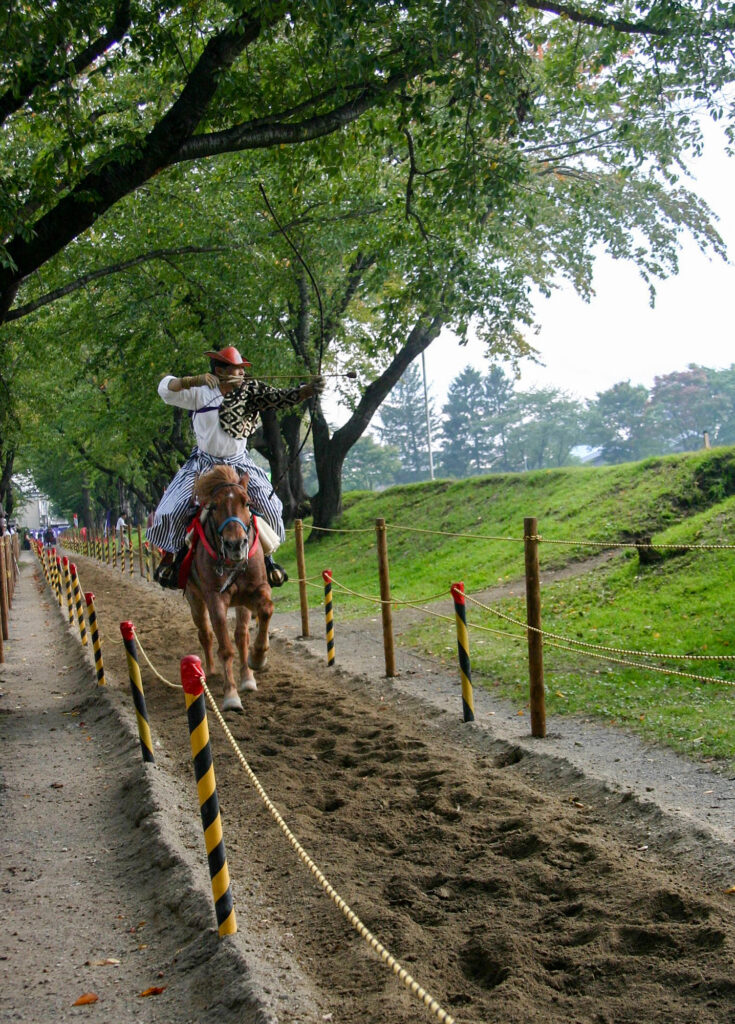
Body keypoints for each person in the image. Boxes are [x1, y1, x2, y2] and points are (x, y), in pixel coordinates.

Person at [148, 346, 323, 589]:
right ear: (220, 371)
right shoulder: (200, 392)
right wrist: (193, 380)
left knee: (271, 507)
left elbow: (280, 397)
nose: (241, 374)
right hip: (204, 465)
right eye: (236, 369)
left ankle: (267, 560)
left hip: (239, 464)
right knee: (170, 510)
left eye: (242, 370)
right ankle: (174, 559)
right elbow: (165, 389)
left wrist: (306, 391)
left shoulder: (251, 391)